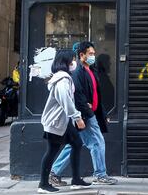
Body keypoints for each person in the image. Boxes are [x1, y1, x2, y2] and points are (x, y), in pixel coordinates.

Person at [49, 42, 117, 186]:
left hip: (90, 114)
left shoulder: (92, 70)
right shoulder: (78, 73)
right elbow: (78, 96)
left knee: (74, 144)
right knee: (97, 142)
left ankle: (54, 173)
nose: (93, 56)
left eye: (93, 53)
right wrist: (83, 115)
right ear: (82, 55)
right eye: (90, 54)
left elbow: (96, 95)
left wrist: (103, 114)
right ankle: (100, 174)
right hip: (85, 115)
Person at [38, 49, 91, 193]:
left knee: (77, 144)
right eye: (72, 59)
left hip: (62, 121)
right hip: (56, 122)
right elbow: (66, 101)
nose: (74, 62)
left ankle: (76, 179)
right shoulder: (62, 79)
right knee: (52, 150)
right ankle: (43, 184)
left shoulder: (63, 77)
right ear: (66, 62)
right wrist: (77, 118)